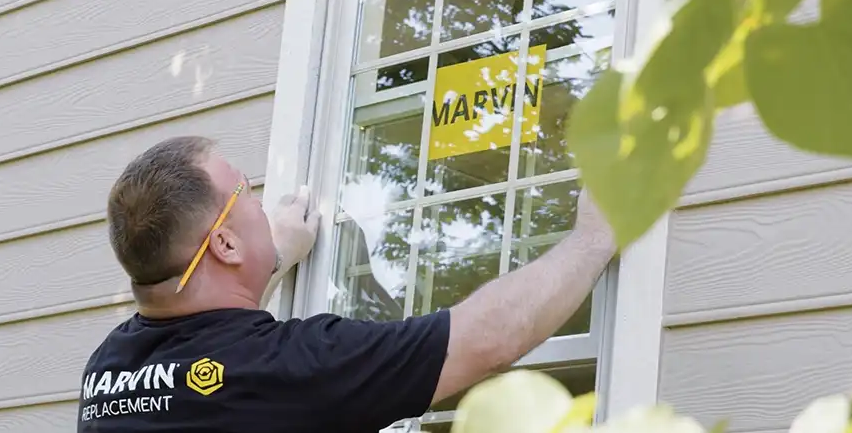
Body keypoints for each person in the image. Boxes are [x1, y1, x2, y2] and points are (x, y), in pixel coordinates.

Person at [77, 136, 616, 433]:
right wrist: (595, 237)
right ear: (224, 247)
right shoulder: (295, 366)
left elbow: (211, 348)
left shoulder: (106, 371)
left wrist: (270, 255)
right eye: (245, 193)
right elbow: (488, 338)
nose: (261, 203)